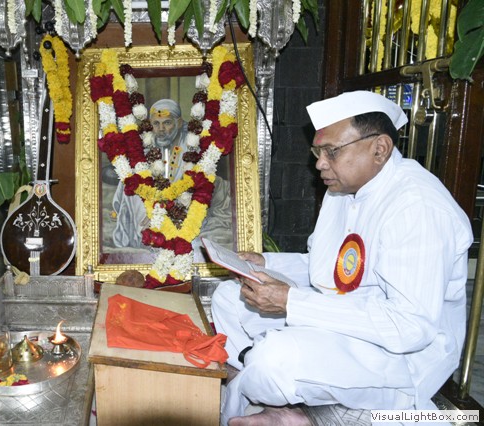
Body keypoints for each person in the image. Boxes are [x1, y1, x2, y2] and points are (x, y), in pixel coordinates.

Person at [211, 90, 473, 425]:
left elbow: (409, 328)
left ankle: (291, 409)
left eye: (331, 152)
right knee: (228, 297)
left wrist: (294, 304)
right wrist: (266, 265)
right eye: (318, 151)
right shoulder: (344, 188)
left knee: (273, 359)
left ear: (379, 149)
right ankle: (289, 405)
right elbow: (329, 270)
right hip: (342, 325)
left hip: (399, 358)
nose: (320, 163)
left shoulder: (417, 206)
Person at [111, 98, 233, 251]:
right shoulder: (145, 146)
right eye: (156, 123)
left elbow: (198, 183)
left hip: (185, 205)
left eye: (167, 123)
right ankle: (149, 232)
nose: (161, 129)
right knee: (133, 186)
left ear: (179, 123)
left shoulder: (193, 145)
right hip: (154, 204)